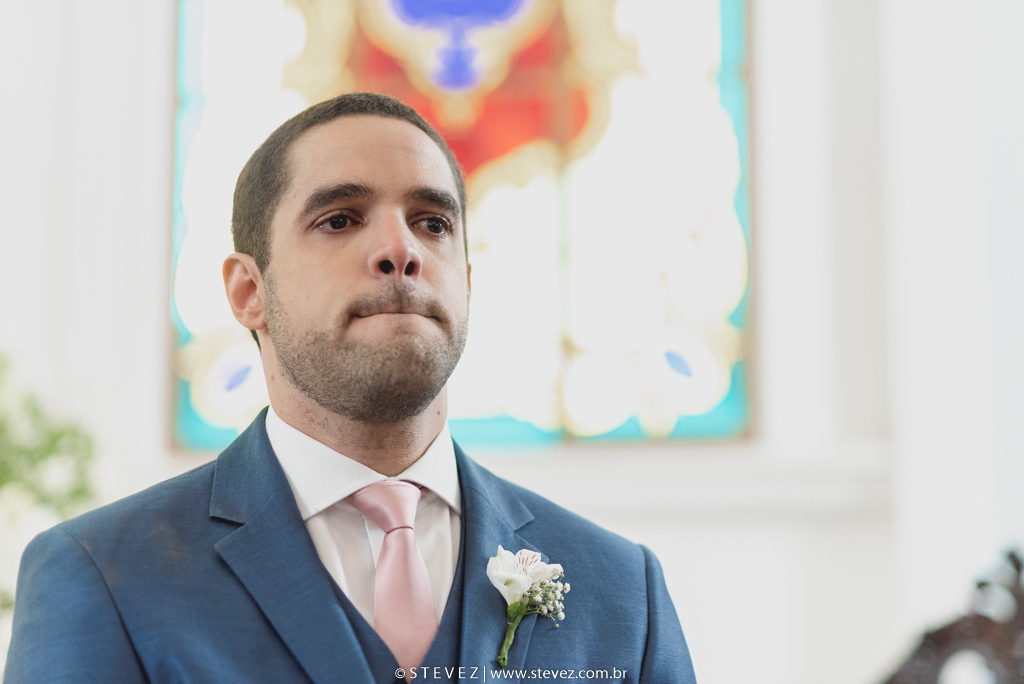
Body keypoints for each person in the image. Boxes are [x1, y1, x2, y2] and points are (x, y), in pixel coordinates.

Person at [4, 93, 697, 683]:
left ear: (466, 282)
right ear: (249, 292)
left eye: (432, 223)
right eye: (339, 219)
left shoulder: (621, 591)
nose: (401, 250)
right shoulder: (103, 575)